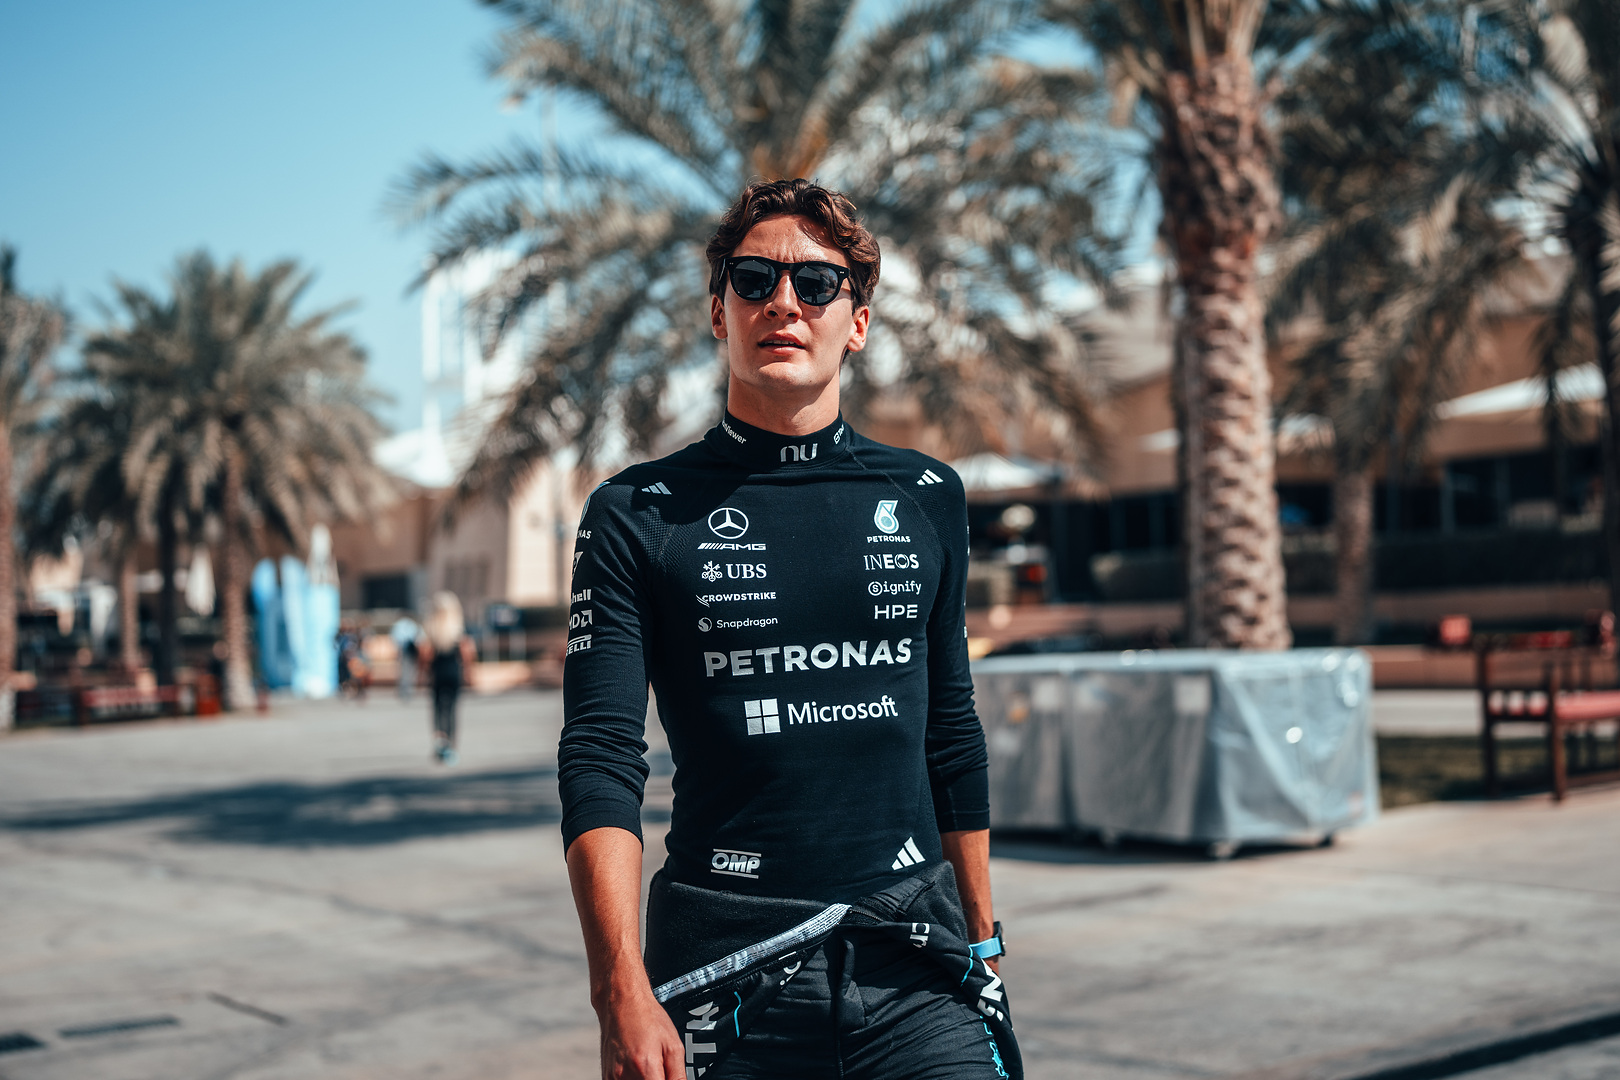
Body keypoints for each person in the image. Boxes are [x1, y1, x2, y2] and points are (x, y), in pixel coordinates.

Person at [561, 178, 1015, 1080]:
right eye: (753, 279)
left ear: (857, 322)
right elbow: (601, 755)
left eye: (815, 283)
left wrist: (983, 941)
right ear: (719, 311)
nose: (783, 302)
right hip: (726, 966)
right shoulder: (636, 513)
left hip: (915, 959)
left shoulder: (927, 497)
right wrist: (619, 988)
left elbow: (951, 731)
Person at [423, 592, 476, 765]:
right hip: (454, 672)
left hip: (437, 672)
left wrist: (423, 671)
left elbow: (426, 654)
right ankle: (451, 746)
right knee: (452, 709)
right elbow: (467, 652)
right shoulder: (458, 628)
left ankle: (440, 739)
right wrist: (469, 672)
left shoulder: (432, 629)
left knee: (438, 707)